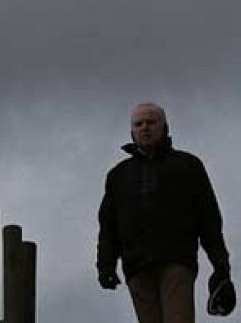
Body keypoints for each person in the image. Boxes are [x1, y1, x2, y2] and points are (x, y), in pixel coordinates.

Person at [97, 103, 233, 323]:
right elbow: (108, 226)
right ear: (132, 132)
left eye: (151, 122)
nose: (145, 128)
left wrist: (221, 266)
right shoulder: (118, 176)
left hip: (176, 258)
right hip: (137, 263)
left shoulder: (187, 166)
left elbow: (209, 219)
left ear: (164, 127)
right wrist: (105, 266)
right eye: (139, 124)